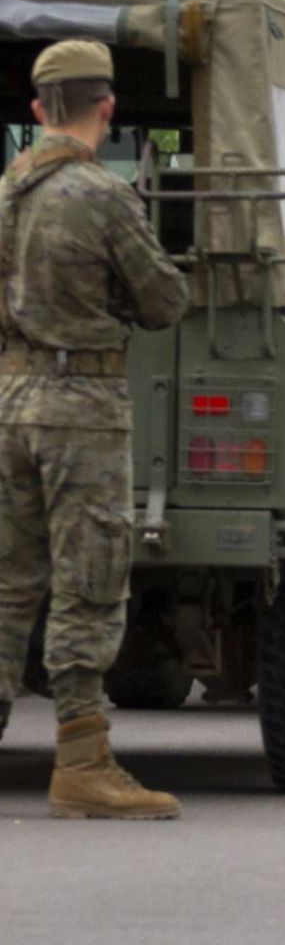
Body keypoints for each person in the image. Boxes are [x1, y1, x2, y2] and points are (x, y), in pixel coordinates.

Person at [0, 40, 191, 819]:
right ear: (106, 109)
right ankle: (82, 761)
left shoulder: (8, 189)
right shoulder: (102, 196)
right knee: (90, 580)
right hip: (82, 408)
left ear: (38, 109)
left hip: (12, 399)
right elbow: (163, 302)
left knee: (8, 583)